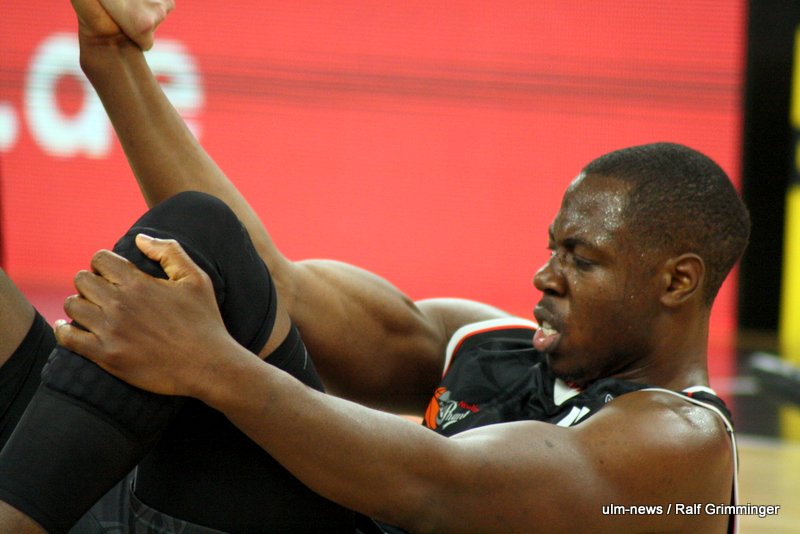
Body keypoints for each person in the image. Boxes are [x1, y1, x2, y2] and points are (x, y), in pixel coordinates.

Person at [0, 1, 749, 533]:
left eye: (580, 259)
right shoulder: (481, 343)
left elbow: (435, 490)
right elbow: (273, 282)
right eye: (552, 248)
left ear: (677, 282)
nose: (544, 276)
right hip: (160, 505)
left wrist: (211, 366)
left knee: (196, 233)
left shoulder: (680, 447)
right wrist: (113, 58)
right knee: (190, 245)